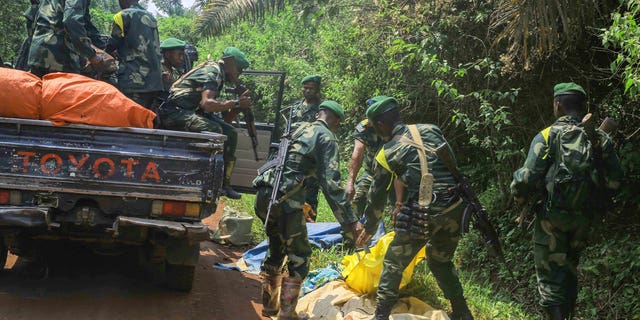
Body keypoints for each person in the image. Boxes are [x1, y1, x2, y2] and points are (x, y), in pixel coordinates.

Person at [356, 96, 474, 320]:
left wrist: (369, 227)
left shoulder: (386, 153)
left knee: (393, 262)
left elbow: (376, 199)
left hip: (424, 213)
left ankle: (380, 316)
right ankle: (462, 311)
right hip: (455, 207)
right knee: (440, 259)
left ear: (380, 125)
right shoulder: (431, 129)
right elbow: (449, 165)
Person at [510, 82, 622, 320]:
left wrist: (521, 200)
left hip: (551, 222)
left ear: (558, 104)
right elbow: (616, 181)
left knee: (550, 283)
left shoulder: (547, 136)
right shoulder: (600, 139)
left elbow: (524, 181)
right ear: (582, 107)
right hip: (583, 222)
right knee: (570, 274)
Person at [253, 100, 363, 319]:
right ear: (336, 121)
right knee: (300, 256)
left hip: (265, 194)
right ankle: (287, 313)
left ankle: (269, 306)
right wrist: (351, 222)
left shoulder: (298, 128)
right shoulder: (326, 137)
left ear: (318, 114)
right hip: (286, 200)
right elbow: (331, 185)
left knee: (275, 248)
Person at [158, 47, 251, 199]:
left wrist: (236, 108)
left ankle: (224, 184)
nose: (238, 75)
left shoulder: (217, 73)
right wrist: (235, 103)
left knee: (230, 133)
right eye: (238, 70)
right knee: (212, 128)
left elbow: (210, 110)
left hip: (189, 111)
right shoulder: (213, 73)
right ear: (232, 66)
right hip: (174, 112)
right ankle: (203, 176)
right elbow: (207, 104)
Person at [108, 0, 163, 110]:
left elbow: (112, 44)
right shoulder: (151, 16)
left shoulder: (123, 15)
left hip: (134, 81)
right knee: (148, 117)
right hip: (155, 81)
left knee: (132, 119)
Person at [28, 0, 104, 77]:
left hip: (37, 54)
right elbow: (72, 21)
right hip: (60, 58)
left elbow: (30, 17)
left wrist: (101, 45)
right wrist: (90, 54)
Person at [285, 75, 323, 218]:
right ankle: (291, 225)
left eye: (311, 88)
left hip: (312, 158)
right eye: (305, 88)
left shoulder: (322, 109)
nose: (307, 91)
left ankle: (309, 229)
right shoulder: (294, 108)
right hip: (294, 156)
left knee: (310, 195)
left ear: (317, 90)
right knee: (291, 191)